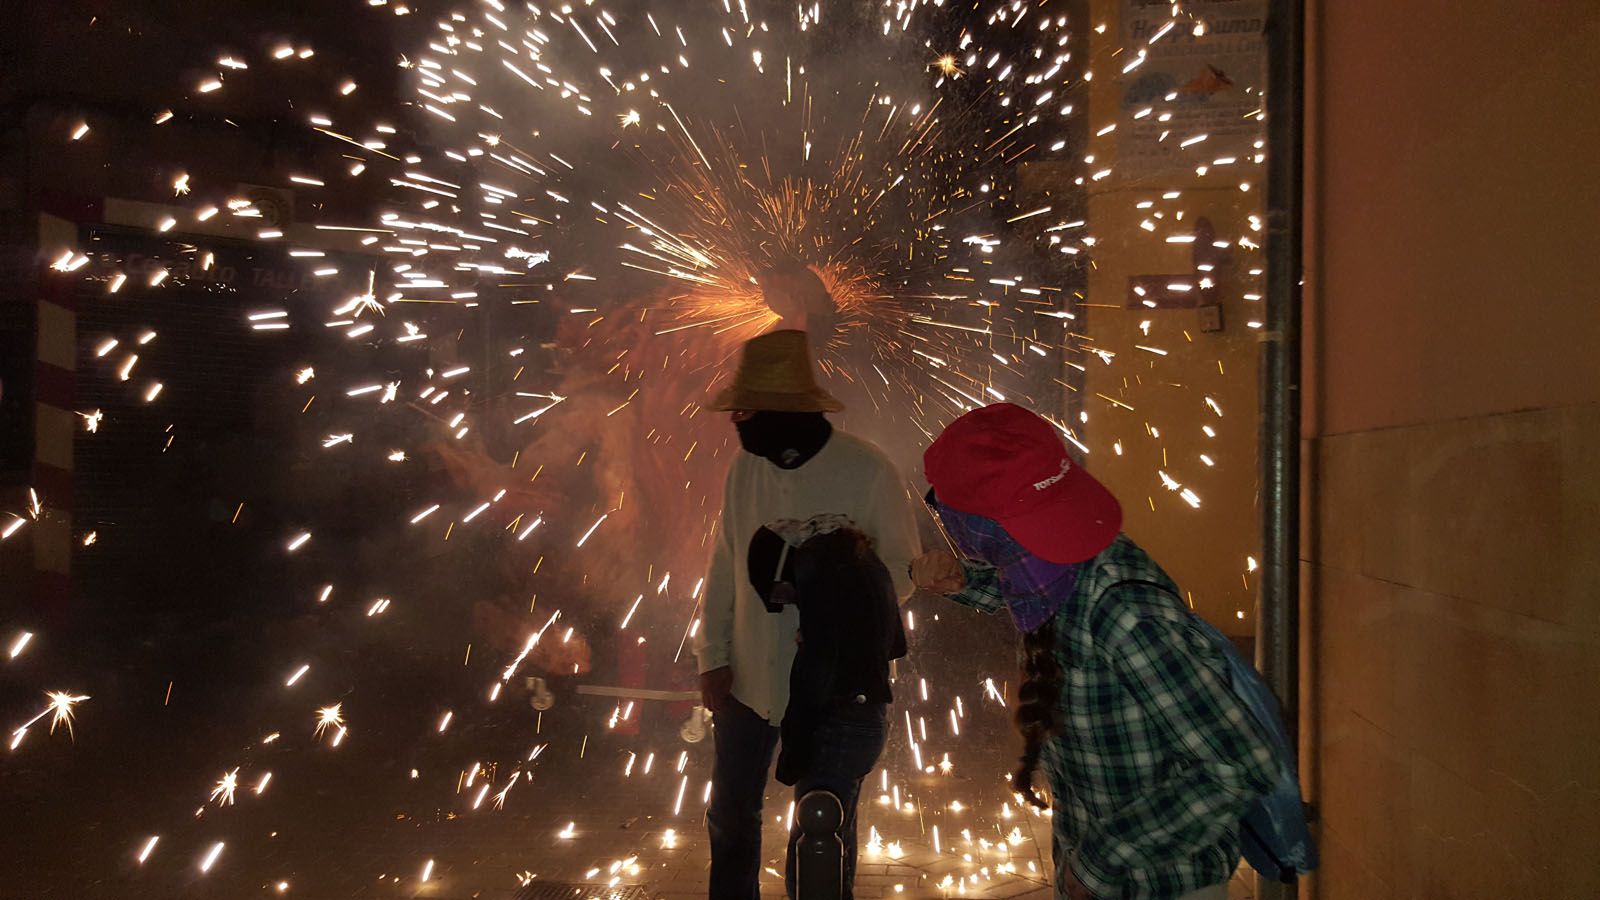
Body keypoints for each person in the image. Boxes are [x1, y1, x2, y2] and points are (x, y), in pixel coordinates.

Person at [911, 403, 1277, 900]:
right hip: (1100, 870)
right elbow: (1028, 590)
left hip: (1156, 883)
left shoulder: (1125, 609)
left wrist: (1102, 862)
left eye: (943, 507)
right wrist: (957, 582)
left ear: (981, 524)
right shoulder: (1059, 561)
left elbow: (1240, 765)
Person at [695, 327, 919, 900]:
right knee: (729, 815)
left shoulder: (867, 471)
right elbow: (723, 566)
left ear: (785, 412)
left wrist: (837, 614)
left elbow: (903, 569)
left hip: (835, 687)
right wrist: (712, 655)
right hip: (747, 678)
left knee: (823, 821)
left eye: (747, 411)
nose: (737, 423)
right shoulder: (744, 471)